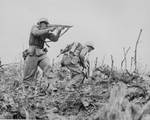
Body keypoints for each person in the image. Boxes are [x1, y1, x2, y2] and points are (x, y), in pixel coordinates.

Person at [23, 18, 64, 86]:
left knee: (48, 68)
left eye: (46, 24)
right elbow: (36, 33)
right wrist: (48, 30)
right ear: (40, 24)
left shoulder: (46, 32)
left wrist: (59, 31)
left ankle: (51, 86)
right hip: (32, 53)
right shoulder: (35, 28)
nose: (44, 25)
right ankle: (27, 89)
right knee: (29, 74)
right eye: (43, 23)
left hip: (41, 53)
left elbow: (55, 39)